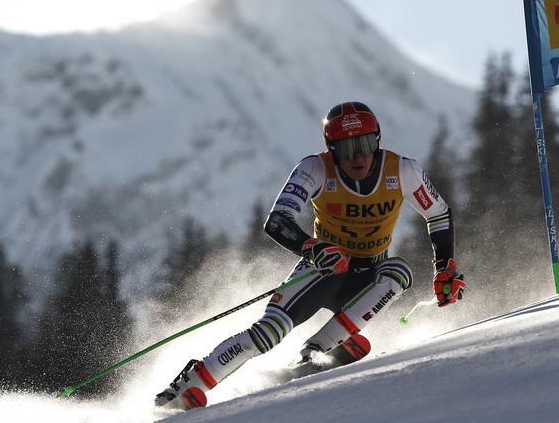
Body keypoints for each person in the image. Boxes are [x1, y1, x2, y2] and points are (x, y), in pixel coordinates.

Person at [155, 101, 465, 411]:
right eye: (346, 149)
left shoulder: (402, 170)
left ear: (378, 141)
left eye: (366, 144)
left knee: (399, 272)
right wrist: (313, 248)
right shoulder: (315, 168)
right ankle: (188, 386)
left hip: (369, 273)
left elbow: (438, 214)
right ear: (332, 149)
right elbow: (277, 221)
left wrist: (445, 268)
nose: (358, 156)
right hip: (324, 271)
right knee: (269, 332)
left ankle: (316, 350)